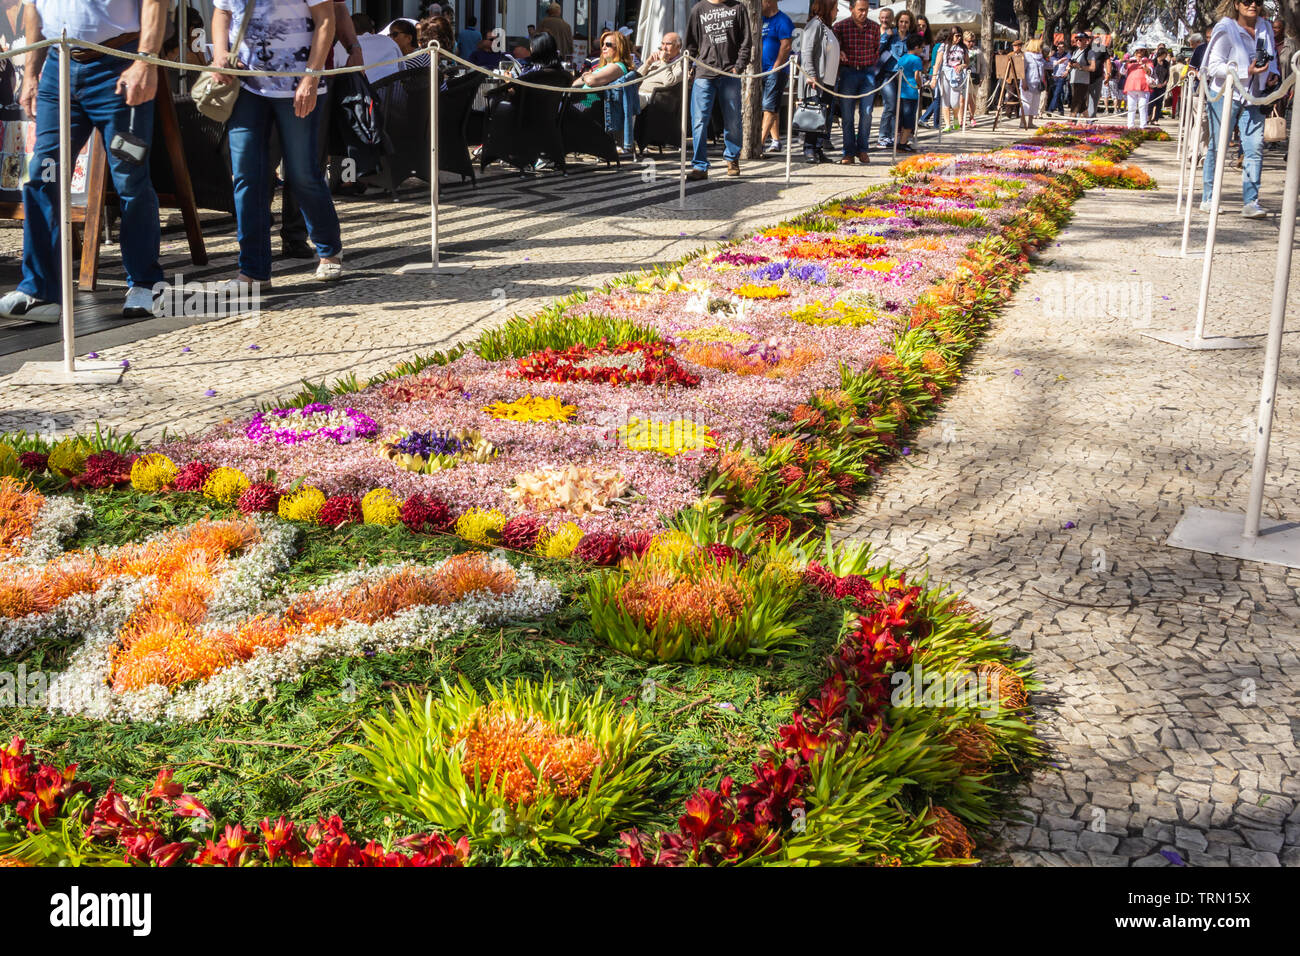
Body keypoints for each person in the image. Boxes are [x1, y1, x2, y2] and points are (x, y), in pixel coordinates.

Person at [1, 0, 167, 322]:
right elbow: (34, 9)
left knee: (129, 177)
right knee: (42, 176)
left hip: (118, 66)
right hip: (57, 69)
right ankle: (39, 291)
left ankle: (146, 283)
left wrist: (145, 61)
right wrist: (32, 71)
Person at [211, 0, 343, 287]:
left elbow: (325, 19)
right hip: (245, 84)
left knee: (302, 173)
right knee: (247, 174)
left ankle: (329, 249)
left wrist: (311, 75)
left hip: (298, 84)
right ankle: (253, 271)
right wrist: (220, 54)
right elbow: (221, 13)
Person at [1202, 0, 1279, 218]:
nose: (1253, 4)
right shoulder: (1225, 28)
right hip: (1225, 95)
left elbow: (1271, 59)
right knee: (1218, 147)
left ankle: (1251, 201)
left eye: (1258, 1)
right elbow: (1213, 66)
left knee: (1254, 148)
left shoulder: (1265, 26)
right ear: (1236, 4)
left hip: (1255, 97)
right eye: (1246, 1)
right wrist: (1247, 70)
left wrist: (1272, 75)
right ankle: (1209, 198)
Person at [684, 0, 751, 180]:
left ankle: (732, 158)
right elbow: (690, 43)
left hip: (729, 73)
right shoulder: (698, 9)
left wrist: (739, 67)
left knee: (733, 119)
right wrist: (688, 66)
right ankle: (699, 166)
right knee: (699, 121)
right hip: (704, 73)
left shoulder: (738, 8)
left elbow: (746, 41)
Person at [573, 29, 637, 155]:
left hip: (589, 104)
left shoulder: (617, 66)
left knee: (556, 113)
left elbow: (591, 81)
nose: (603, 47)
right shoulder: (604, 67)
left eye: (608, 45)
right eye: (603, 44)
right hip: (585, 103)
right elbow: (576, 83)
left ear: (619, 48)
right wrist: (586, 77)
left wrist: (586, 76)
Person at [832, 0, 880, 165]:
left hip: (867, 72)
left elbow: (876, 49)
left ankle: (863, 149)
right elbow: (835, 47)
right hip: (848, 72)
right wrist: (841, 53)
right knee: (847, 115)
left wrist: (871, 65)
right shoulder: (840, 27)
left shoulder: (874, 27)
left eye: (866, 10)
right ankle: (848, 152)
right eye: (860, 10)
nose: (864, 13)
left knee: (866, 113)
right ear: (852, 9)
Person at [798, 0, 838, 164]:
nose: (836, 12)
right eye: (835, 9)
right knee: (813, 116)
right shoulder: (815, 25)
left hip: (828, 81)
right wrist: (811, 74)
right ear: (827, 9)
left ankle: (818, 148)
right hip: (816, 81)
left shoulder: (827, 27)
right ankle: (809, 149)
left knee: (822, 118)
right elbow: (807, 51)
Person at [760, 0, 793, 153]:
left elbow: (786, 45)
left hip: (775, 71)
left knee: (769, 107)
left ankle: (759, 143)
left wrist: (777, 67)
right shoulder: (760, 20)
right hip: (760, 70)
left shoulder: (783, 20)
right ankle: (776, 140)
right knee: (772, 106)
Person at [876, 8, 907, 149]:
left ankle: (895, 136)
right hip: (887, 74)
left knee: (899, 107)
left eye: (906, 22)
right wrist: (885, 36)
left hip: (903, 76)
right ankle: (883, 136)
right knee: (890, 105)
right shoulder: (890, 34)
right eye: (901, 22)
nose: (903, 24)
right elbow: (878, 48)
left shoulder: (909, 37)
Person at [637, 31, 684, 108]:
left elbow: (669, 82)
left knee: (628, 100)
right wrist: (648, 63)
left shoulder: (680, 63)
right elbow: (636, 78)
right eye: (662, 44)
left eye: (668, 44)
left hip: (653, 97)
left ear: (678, 47)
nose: (664, 47)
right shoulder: (656, 62)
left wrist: (664, 61)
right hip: (638, 93)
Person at [896, 31, 924, 151]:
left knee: (901, 118)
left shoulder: (902, 58)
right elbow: (917, 75)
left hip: (901, 92)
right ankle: (902, 143)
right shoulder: (916, 59)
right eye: (922, 47)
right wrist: (920, 85)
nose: (923, 49)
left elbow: (898, 75)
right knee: (909, 119)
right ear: (916, 47)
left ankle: (901, 141)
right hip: (911, 93)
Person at [935, 28, 967, 131]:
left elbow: (967, 62)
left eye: (960, 35)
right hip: (945, 74)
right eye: (957, 35)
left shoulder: (963, 47)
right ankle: (948, 124)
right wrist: (934, 78)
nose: (959, 38)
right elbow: (938, 63)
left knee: (955, 102)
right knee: (945, 100)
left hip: (957, 76)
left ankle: (956, 117)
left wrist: (962, 66)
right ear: (951, 35)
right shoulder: (943, 46)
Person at [1067, 32, 1096, 119]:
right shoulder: (1075, 51)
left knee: (1075, 102)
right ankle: (1089, 122)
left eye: (1080, 39)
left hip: (1082, 82)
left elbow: (1093, 68)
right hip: (1074, 80)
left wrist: (1080, 67)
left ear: (1086, 41)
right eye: (1077, 39)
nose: (1078, 41)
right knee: (1082, 104)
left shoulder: (1089, 52)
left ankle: (1071, 122)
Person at [1123, 45, 1152, 128]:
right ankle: (1130, 126)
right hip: (1131, 86)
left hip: (1144, 87)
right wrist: (1127, 63)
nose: (1139, 52)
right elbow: (1122, 71)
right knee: (1131, 107)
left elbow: (1150, 72)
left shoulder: (1148, 61)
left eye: (1142, 50)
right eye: (1138, 50)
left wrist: (1143, 64)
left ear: (1145, 52)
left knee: (1143, 107)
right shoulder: (1131, 61)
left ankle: (1143, 126)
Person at [1019, 37, 1046, 129]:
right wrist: (1024, 82)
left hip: (1037, 84)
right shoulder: (1026, 56)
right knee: (1026, 103)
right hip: (1028, 83)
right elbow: (1022, 70)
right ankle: (1022, 122)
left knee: (1035, 103)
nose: (1042, 48)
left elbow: (1045, 68)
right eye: (1040, 46)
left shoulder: (1041, 57)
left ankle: (1030, 122)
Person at [963, 29, 982, 126]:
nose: (971, 43)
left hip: (975, 75)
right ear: (964, 40)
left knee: (973, 98)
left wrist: (982, 76)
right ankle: (961, 118)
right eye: (969, 41)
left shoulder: (977, 51)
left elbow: (982, 64)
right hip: (964, 76)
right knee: (965, 98)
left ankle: (972, 117)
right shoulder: (961, 50)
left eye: (973, 41)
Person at [1047, 39, 1070, 114]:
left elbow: (1070, 64)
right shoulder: (1053, 55)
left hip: (1061, 77)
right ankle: (1061, 110)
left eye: (1062, 47)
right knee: (1056, 94)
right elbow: (1051, 64)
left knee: (1057, 93)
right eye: (1059, 47)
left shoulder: (1067, 55)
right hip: (1053, 77)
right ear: (1057, 48)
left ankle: (1050, 109)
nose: (1060, 49)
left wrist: (1067, 71)